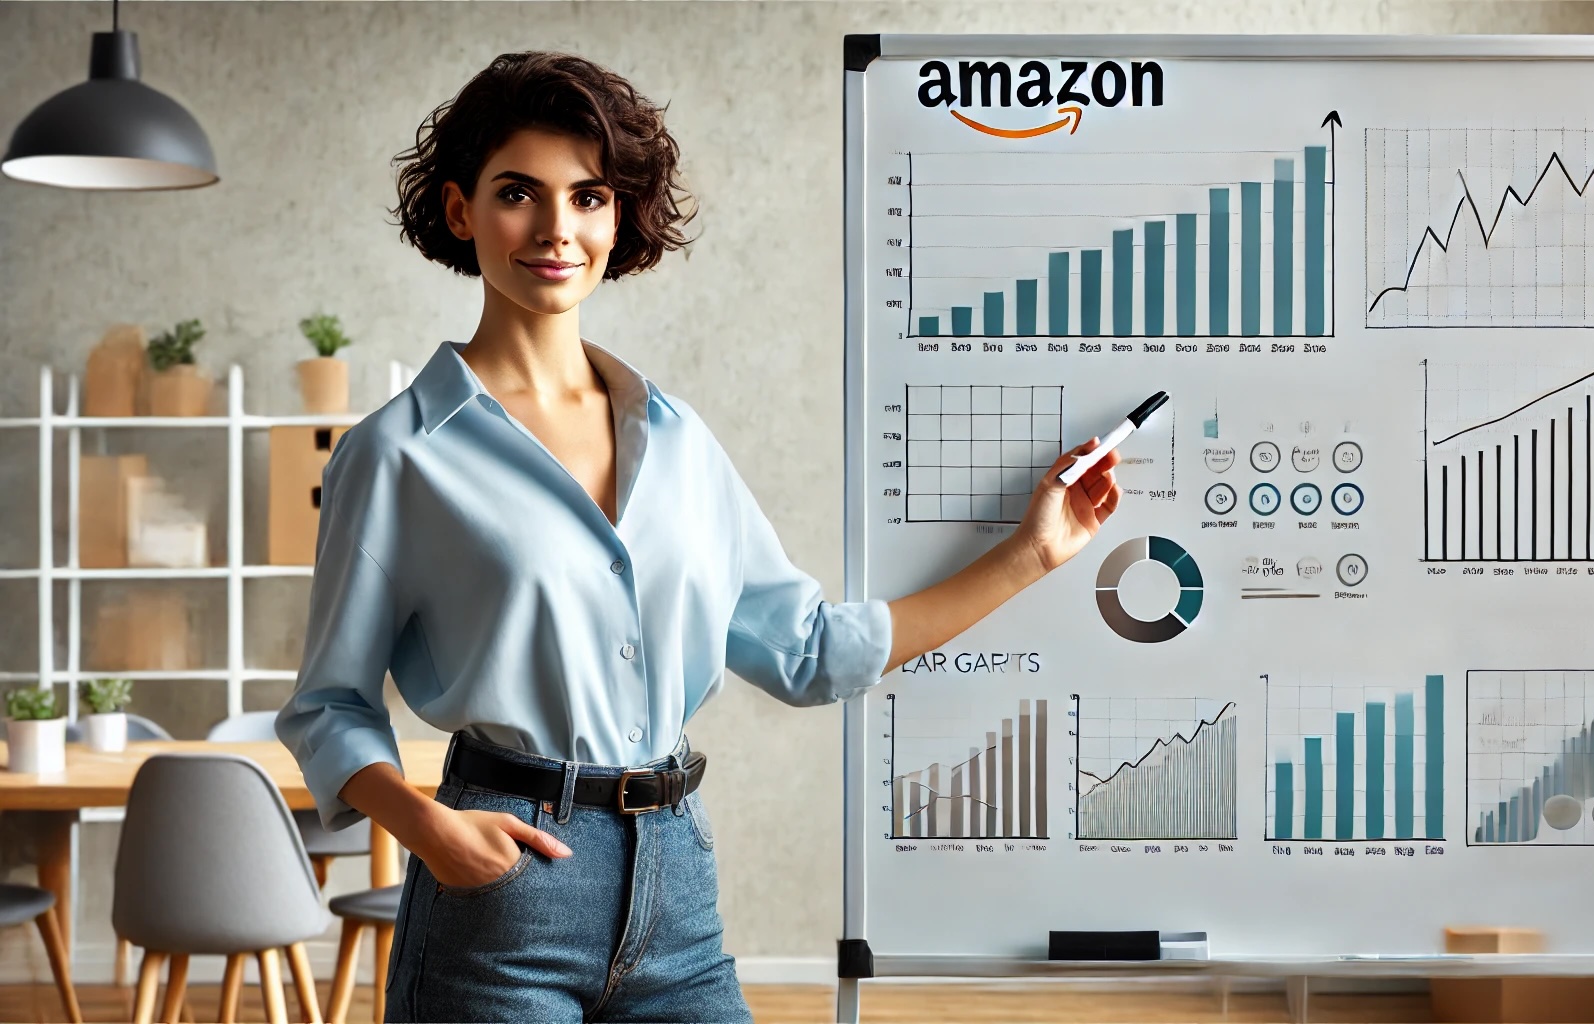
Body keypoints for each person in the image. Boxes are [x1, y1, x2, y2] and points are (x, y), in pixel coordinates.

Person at [274, 50, 1121, 1023]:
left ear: (617, 214)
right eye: (520, 194)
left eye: (588, 197)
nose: (557, 229)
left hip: (675, 880)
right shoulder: (397, 454)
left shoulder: (674, 440)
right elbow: (330, 704)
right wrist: (425, 827)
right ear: (462, 211)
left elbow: (808, 652)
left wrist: (1034, 553)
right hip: (499, 891)